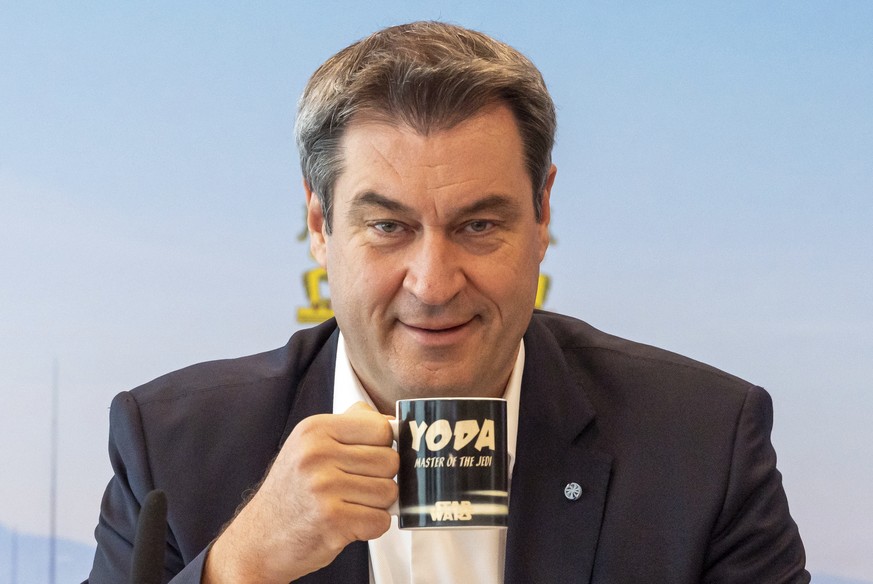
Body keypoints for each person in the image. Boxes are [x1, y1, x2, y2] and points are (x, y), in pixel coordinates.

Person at [86, 21, 809, 583]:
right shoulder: (173, 444)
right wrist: (238, 567)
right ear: (318, 225)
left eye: (478, 225)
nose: (432, 284)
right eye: (387, 227)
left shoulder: (702, 441)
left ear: (542, 210)